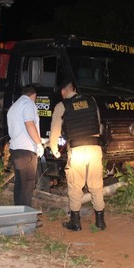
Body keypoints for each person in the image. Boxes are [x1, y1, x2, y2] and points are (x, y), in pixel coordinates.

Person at [49, 78, 106, 231]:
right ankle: (100, 222)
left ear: (63, 91)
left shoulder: (62, 105)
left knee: (75, 185)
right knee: (96, 185)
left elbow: (55, 129)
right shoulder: (91, 101)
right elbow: (98, 122)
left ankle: (75, 222)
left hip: (77, 150)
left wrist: (54, 149)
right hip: (94, 148)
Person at [6, 85, 44, 207]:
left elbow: (21, 129)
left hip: (16, 149)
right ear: (34, 95)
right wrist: (38, 144)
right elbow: (29, 123)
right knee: (27, 185)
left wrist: (39, 139)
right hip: (26, 151)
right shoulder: (29, 103)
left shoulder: (14, 106)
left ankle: (18, 214)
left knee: (20, 184)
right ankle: (26, 217)